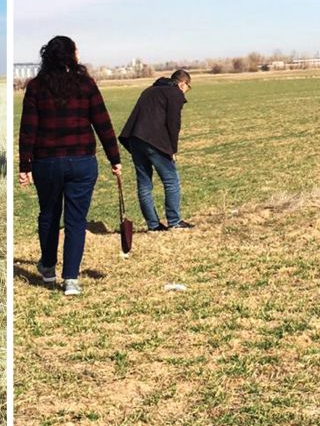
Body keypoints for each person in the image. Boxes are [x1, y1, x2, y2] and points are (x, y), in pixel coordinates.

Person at [18, 36, 122, 296]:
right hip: (82, 162)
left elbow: (28, 129)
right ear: (73, 56)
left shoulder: (36, 87)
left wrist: (25, 165)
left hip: (46, 162)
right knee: (76, 220)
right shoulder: (86, 85)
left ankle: (49, 268)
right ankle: (72, 279)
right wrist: (115, 159)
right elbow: (103, 123)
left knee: (49, 214)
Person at [119, 69, 193, 231]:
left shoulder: (150, 90)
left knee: (144, 183)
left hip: (135, 139)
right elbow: (173, 124)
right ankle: (174, 221)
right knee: (171, 180)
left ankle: (153, 225)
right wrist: (172, 149)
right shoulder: (175, 93)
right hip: (154, 141)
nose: (187, 91)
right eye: (188, 87)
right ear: (182, 83)